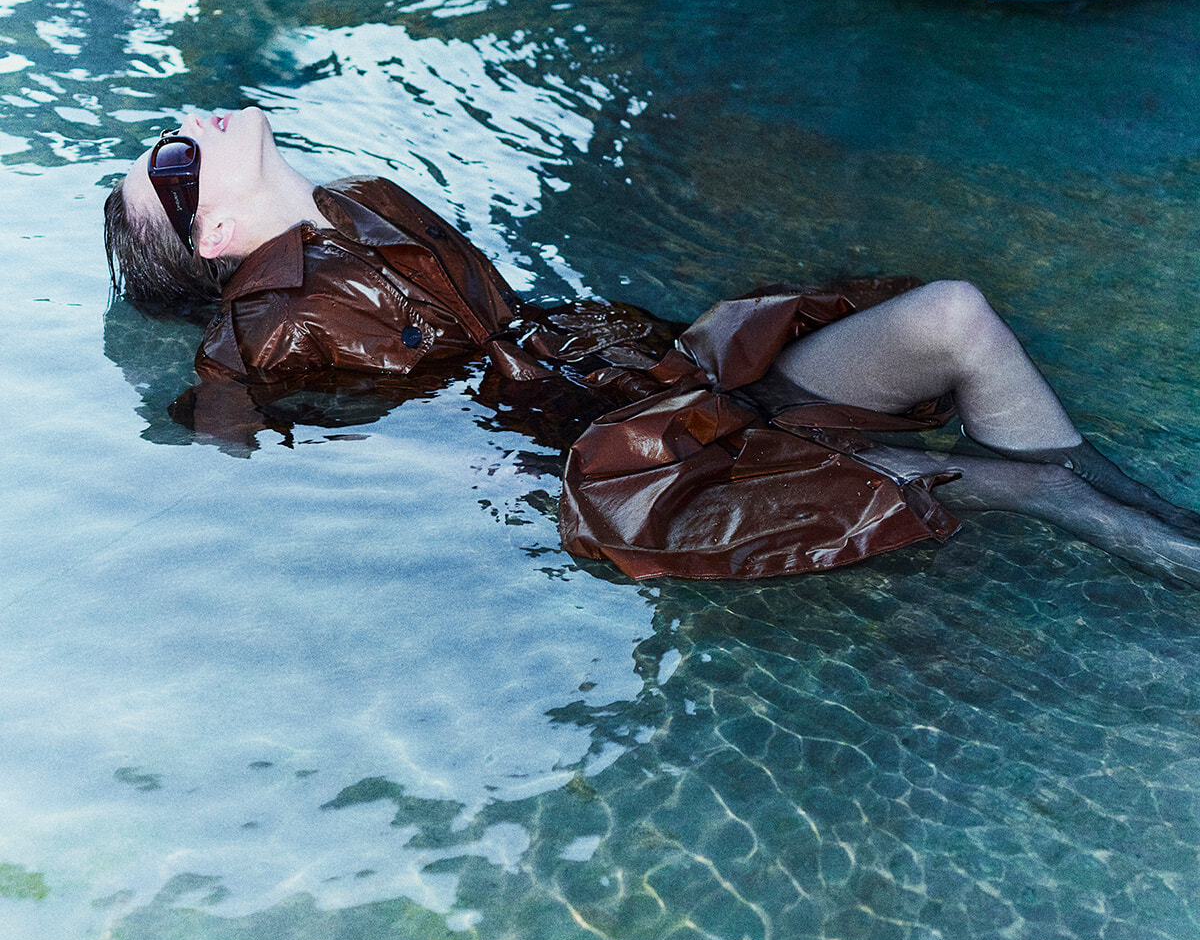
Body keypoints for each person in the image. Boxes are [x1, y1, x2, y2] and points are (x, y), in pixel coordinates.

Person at [105, 107, 1200, 587]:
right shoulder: (263, 322)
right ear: (219, 237)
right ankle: (1155, 544)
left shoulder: (364, 200)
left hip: (660, 364)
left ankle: (1113, 499)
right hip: (624, 450)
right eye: (170, 162)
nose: (189, 130)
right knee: (1021, 492)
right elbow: (228, 448)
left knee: (956, 314)